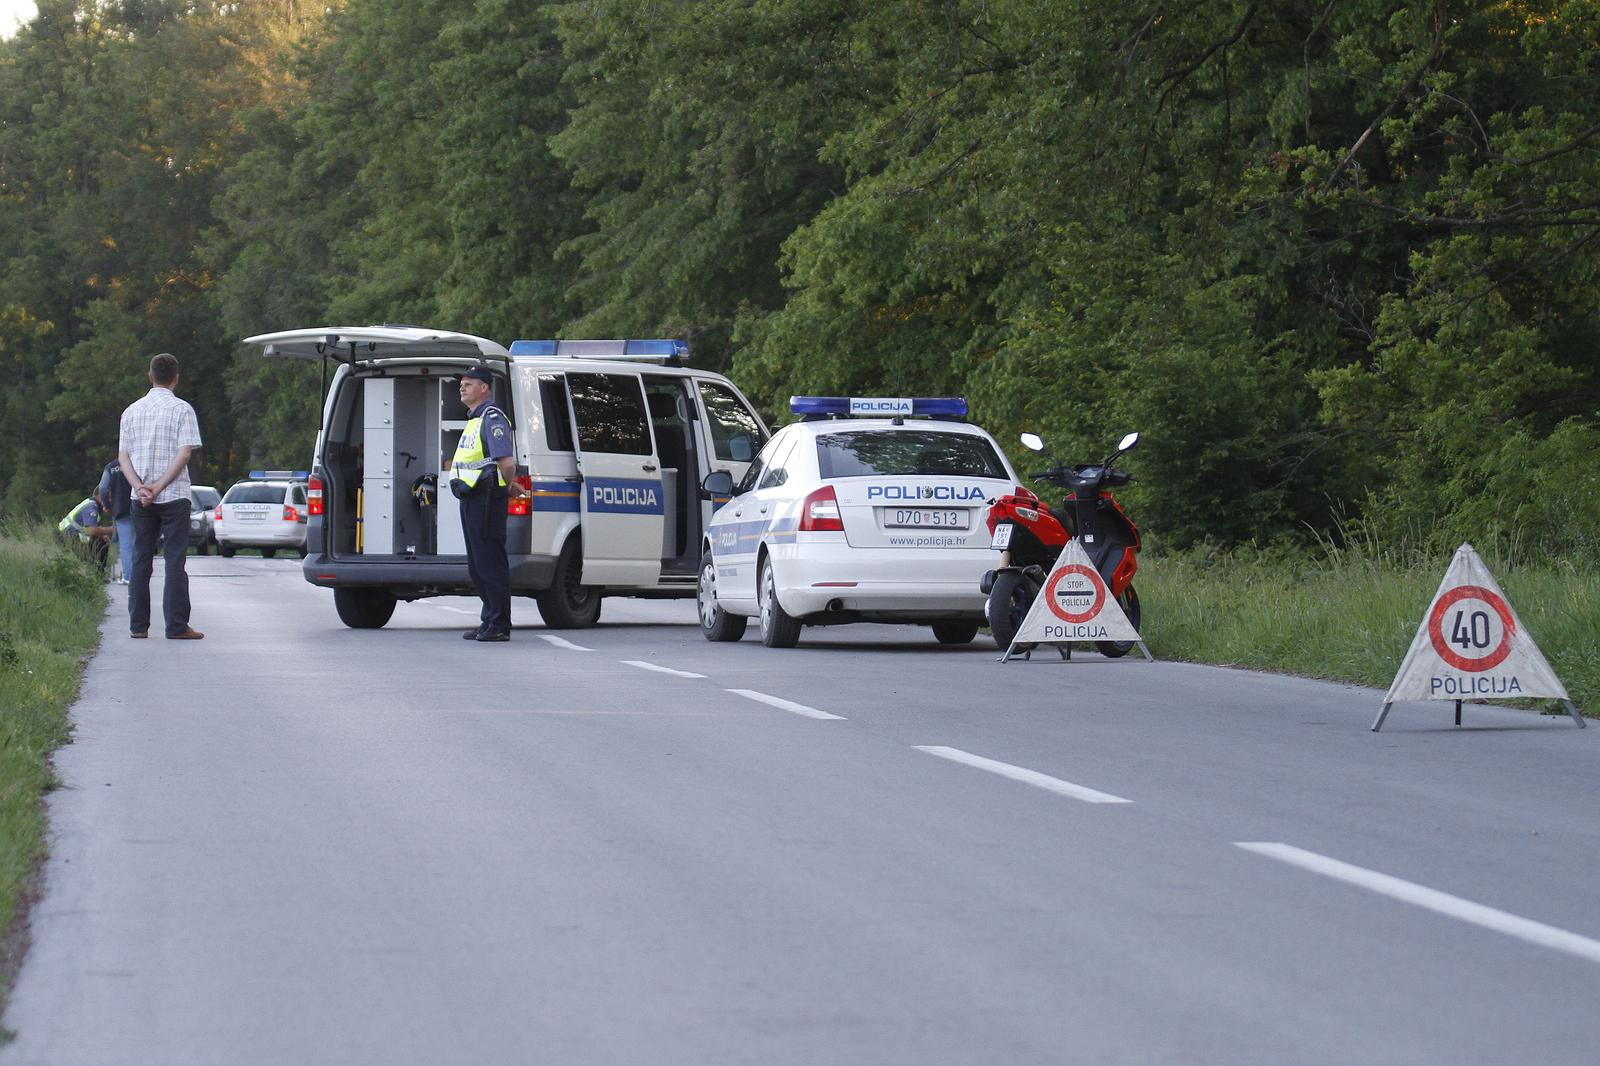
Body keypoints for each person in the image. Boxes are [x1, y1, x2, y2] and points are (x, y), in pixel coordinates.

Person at [118, 352, 204, 640]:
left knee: (142, 560)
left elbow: (123, 457)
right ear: (176, 378)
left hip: (139, 498)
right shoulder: (183, 410)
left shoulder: (130, 411)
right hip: (175, 496)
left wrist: (141, 487)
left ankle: (138, 626)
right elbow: (185, 452)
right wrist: (160, 486)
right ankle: (177, 626)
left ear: (150, 376)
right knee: (175, 560)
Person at [448, 365, 528, 642]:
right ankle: (489, 620)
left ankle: (498, 624)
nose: (462, 387)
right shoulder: (474, 419)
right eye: (462, 383)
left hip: (486, 499)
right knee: (478, 564)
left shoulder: (492, 417)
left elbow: (507, 462)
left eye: (469, 383)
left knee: (489, 562)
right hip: (473, 498)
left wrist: (504, 487)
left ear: (485, 388)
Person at [97, 458, 135, 583]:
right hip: (140, 507)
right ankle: (141, 575)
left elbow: (103, 488)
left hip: (120, 508)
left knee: (126, 545)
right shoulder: (137, 461)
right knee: (140, 543)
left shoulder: (111, 467)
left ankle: (128, 576)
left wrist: (107, 505)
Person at [58, 491, 113, 573]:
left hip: (68, 535)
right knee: (101, 543)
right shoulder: (91, 507)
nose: (111, 501)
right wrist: (113, 529)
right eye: (109, 498)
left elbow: (89, 528)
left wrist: (102, 535)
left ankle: (95, 570)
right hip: (68, 537)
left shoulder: (90, 503)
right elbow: (93, 530)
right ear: (100, 496)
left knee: (101, 540)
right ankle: (97, 573)